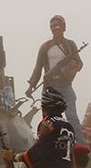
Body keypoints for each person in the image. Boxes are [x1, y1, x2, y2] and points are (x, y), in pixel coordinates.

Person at [0, 87, 76, 168]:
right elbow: (72, 158)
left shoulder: (47, 124)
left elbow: (32, 155)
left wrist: (12, 156)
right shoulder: (69, 127)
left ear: (44, 109)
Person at [26, 15, 85, 144]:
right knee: (48, 119)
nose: (56, 28)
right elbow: (38, 67)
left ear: (64, 27)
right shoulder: (45, 47)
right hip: (49, 85)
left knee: (72, 116)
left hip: (65, 84)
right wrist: (31, 86)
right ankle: (48, 146)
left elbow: (79, 63)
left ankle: (81, 146)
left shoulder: (69, 45)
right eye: (53, 26)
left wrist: (73, 71)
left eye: (59, 25)